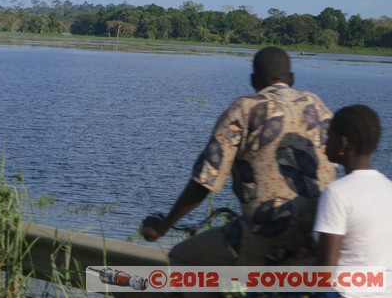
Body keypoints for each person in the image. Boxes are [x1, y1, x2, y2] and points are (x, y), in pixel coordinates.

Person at [142, 46, 336, 266]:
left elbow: (204, 181)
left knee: (181, 256)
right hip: (320, 236)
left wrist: (163, 226)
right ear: (291, 78)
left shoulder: (245, 109)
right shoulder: (319, 108)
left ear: (253, 80)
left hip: (265, 235)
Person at [313, 104, 392, 297]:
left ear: (343, 142)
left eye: (329, 136)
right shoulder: (388, 189)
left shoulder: (337, 193)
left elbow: (326, 276)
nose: (324, 144)